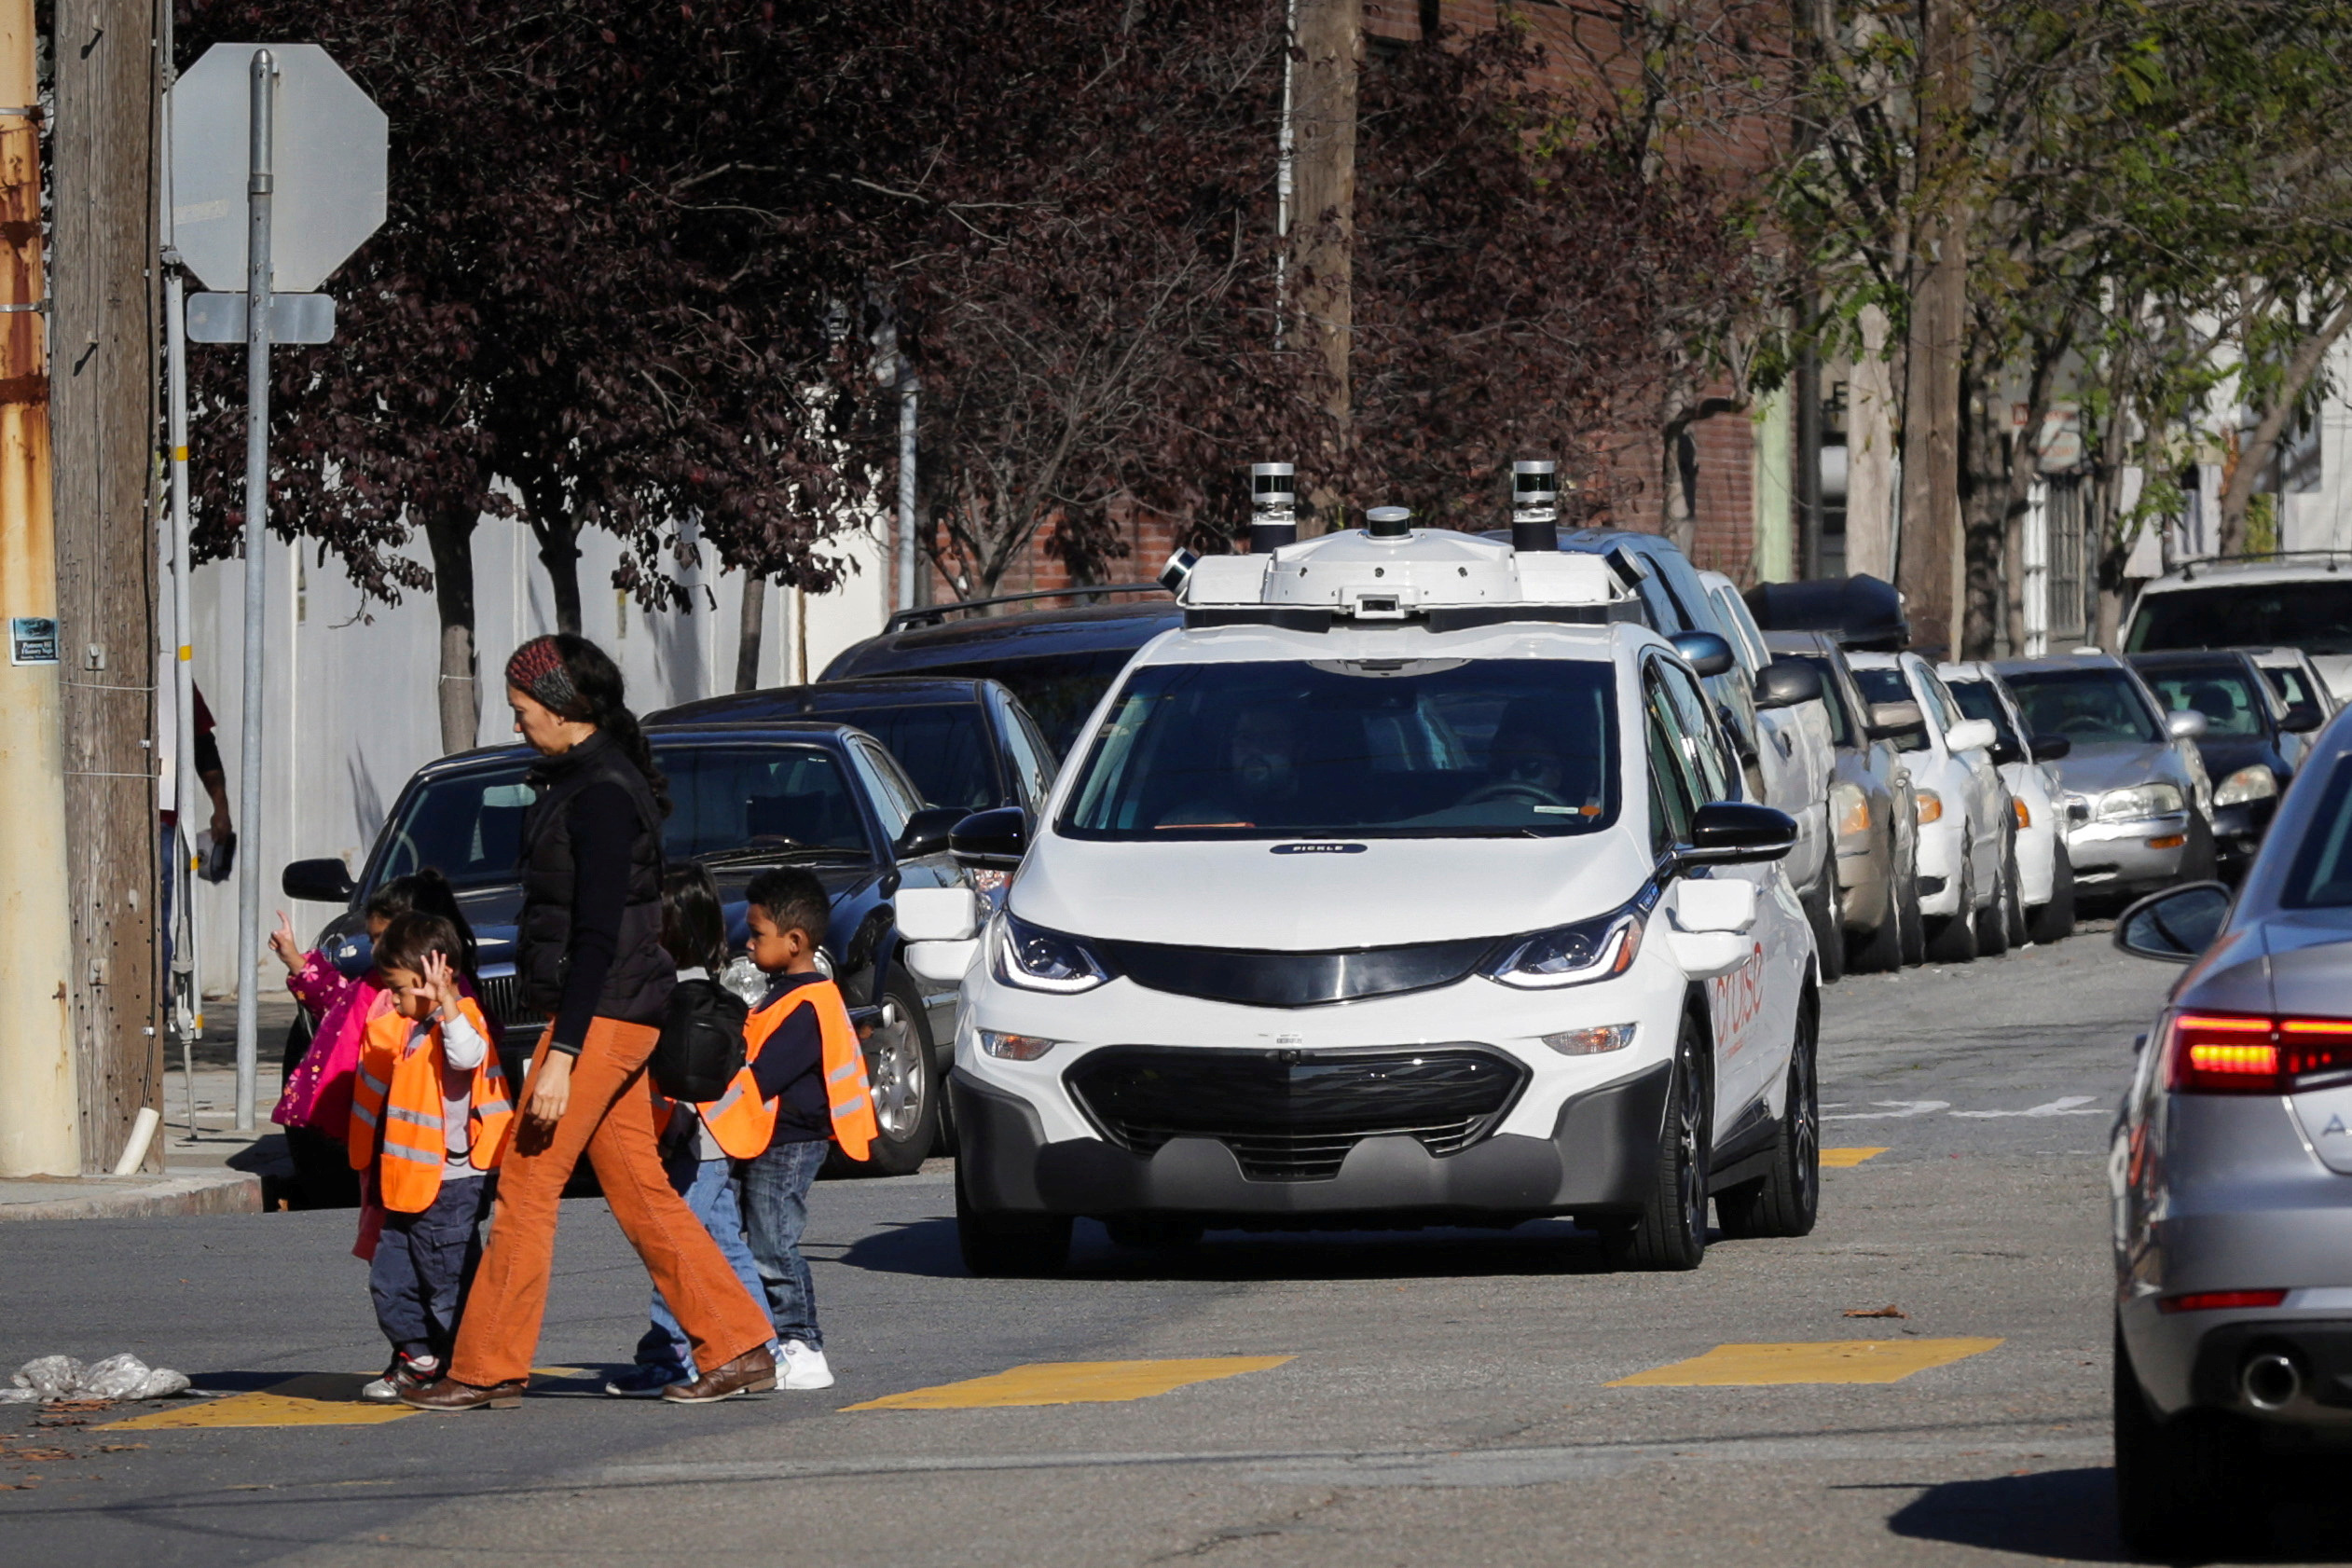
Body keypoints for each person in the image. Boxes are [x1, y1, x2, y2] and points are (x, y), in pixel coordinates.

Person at [403, 634, 776, 1412]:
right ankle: (737, 1344)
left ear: (566, 706)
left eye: (522, 710)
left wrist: (565, 1050)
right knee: (642, 1190)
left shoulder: (601, 792)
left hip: (600, 1018)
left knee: (527, 1187)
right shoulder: (586, 780)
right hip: (615, 1012)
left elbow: (599, 935)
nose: (516, 725)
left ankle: (485, 1365)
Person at [604, 864, 779, 1398]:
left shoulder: (669, 994)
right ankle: (762, 1349)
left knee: (674, 1247)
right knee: (723, 1246)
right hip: (719, 1140)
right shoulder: (712, 983)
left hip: (691, 1142)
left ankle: (670, 1356)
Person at [346, 912, 511, 1403]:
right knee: (391, 1278)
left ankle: (470, 1367)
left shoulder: (460, 1021)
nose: (392, 999)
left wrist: (448, 1001)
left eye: (397, 988)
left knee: (448, 1285)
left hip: (450, 1186)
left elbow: (467, 1056)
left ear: (428, 979)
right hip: (407, 1186)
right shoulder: (414, 1027)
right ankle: (419, 1357)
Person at [734, 866, 879, 1393]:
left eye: (757, 935)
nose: (748, 944)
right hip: (775, 1138)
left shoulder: (807, 1003)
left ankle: (803, 1343)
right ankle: (777, 1339)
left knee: (774, 1244)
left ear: (794, 942)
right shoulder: (785, 994)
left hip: (791, 1142)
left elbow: (766, 1075)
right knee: (763, 1241)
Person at [271, 872, 479, 1210]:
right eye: (374, 939)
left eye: (386, 937)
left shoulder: (447, 999)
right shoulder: (373, 985)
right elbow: (334, 1004)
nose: (378, 949)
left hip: (428, 1146)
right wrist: (295, 959)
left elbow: (467, 1053)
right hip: (381, 1136)